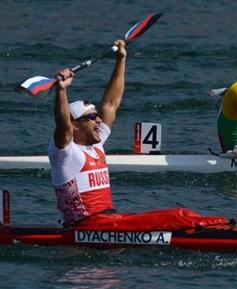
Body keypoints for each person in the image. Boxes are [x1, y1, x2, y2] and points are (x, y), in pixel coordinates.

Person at [48, 39, 227, 230]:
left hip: (110, 220)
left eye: (97, 115)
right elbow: (62, 127)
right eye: (92, 116)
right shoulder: (65, 153)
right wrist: (61, 90)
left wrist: (121, 60)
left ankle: (220, 227)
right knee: (177, 215)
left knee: (181, 215)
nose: (99, 120)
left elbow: (111, 103)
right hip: (87, 225)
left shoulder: (96, 144)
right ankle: (223, 232)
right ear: (74, 124)